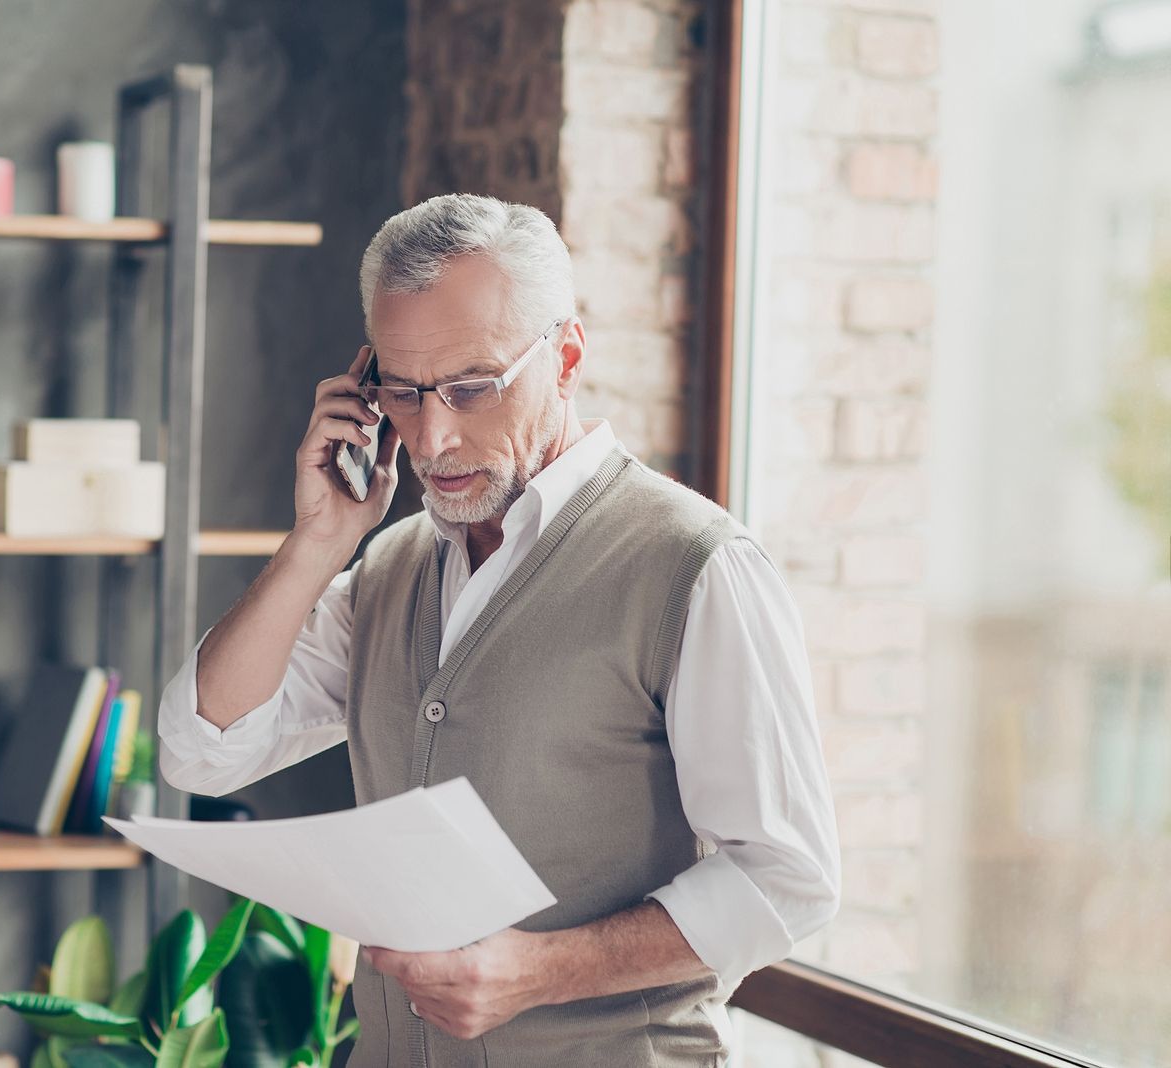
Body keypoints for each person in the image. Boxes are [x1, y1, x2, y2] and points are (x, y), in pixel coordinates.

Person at [158, 193, 841, 1066]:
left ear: (565, 357)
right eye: (400, 393)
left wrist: (538, 970)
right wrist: (318, 543)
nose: (434, 436)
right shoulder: (391, 567)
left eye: (471, 388)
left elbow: (788, 880)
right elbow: (202, 749)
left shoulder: (695, 566)